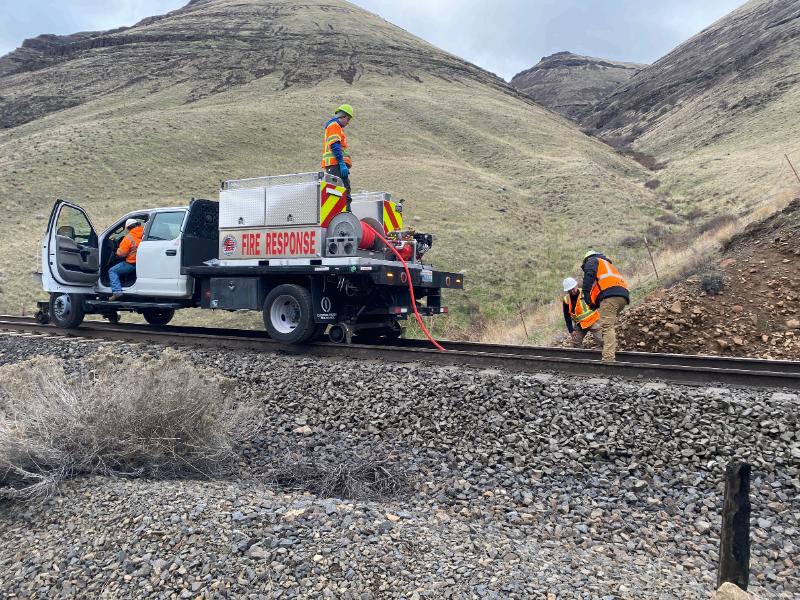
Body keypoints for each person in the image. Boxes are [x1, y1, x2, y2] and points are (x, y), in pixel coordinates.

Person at [581, 250, 629, 362]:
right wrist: (594, 303)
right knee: (608, 326)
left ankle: (608, 359)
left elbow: (589, 275)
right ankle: (609, 350)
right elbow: (604, 285)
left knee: (607, 327)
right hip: (622, 295)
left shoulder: (592, 260)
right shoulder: (607, 264)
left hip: (610, 296)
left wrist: (586, 292)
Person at [322, 103, 354, 210]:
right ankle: (345, 215)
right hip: (335, 165)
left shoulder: (336, 127)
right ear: (343, 116)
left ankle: (344, 214)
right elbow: (335, 145)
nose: (348, 122)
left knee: (340, 191)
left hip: (336, 166)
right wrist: (341, 163)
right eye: (348, 119)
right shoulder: (334, 126)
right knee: (341, 191)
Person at [562, 277, 602, 348]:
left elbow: (597, 301)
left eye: (573, 289)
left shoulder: (585, 293)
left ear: (576, 286)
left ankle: (607, 356)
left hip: (593, 321)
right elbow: (567, 316)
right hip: (580, 325)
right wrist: (571, 330)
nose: (572, 291)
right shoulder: (566, 300)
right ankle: (579, 357)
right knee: (575, 344)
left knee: (602, 341)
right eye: (569, 290)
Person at [109, 219, 143, 300]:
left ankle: (117, 292)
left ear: (127, 228)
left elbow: (122, 253)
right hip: (142, 263)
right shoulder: (145, 233)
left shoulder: (128, 238)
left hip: (132, 264)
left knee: (112, 271)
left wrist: (116, 251)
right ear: (137, 225)